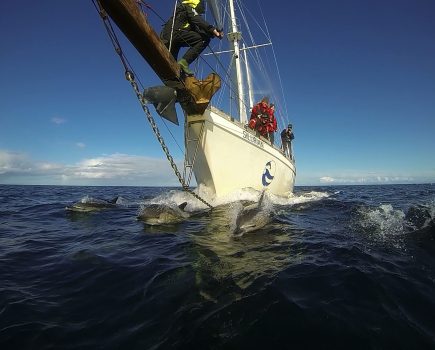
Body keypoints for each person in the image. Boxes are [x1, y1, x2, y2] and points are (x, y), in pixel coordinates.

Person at [160, 0, 224, 76]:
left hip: (169, 38)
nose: (202, 12)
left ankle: (179, 77)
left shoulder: (182, 11)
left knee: (172, 71)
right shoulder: (188, 8)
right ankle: (184, 62)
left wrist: (213, 32)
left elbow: (198, 29)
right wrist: (213, 30)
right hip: (175, 34)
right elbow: (197, 19)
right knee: (204, 39)